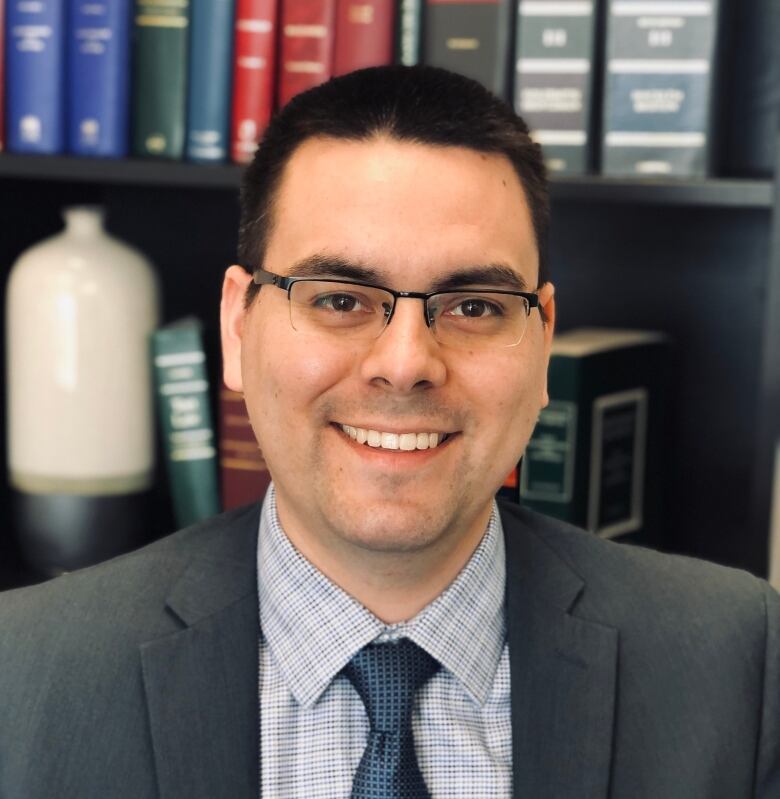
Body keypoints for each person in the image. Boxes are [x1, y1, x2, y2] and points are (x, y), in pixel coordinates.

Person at [0, 65, 778, 799]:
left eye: (474, 305)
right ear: (238, 328)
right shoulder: (24, 672)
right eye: (340, 298)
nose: (405, 364)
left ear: (542, 345)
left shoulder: (738, 661)